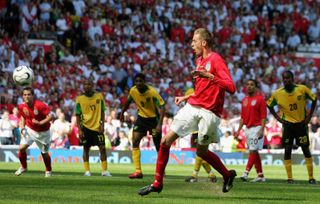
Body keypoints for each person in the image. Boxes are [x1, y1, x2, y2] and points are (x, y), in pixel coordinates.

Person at [138, 28, 237, 196]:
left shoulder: (216, 60)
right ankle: (157, 182)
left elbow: (231, 88)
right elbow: (202, 89)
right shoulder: (199, 60)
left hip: (209, 112)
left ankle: (227, 175)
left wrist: (210, 76)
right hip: (192, 106)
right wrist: (185, 97)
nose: (191, 44)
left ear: (204, 43)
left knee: (201, 151)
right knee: (165, 141)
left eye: (194, 41)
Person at [267, 70, 317, 184]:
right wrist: (278, 119)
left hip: (301, 124)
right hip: (288, 125)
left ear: (292, 79)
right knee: (287, 150)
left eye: (288, 78)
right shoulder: (277, 93)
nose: (286, 80)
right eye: (284, 78)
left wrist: (309, 117)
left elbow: (314, 99)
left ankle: (311, 177)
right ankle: (290, 178)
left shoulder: (302, 89)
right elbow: (269, 105)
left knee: (305, 149)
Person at [120, 73, 165, 179]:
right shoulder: (133, 90)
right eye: (137, 81)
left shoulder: (152, 92)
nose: (139, 83)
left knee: (158, 147)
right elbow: (128, 101)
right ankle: (138, 171)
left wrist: (159, 124)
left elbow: (162, 106)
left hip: (154, 120)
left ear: (144, 82)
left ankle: (161, 171)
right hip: (141, 118)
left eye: (141, 81)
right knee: (135, 141)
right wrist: (122, 113)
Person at [75, 78, 111, 177]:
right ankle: (87, 171)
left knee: (103, 148)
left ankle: (104, 171)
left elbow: (102, 111)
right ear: (83, 86)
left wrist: (103, 125)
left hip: (97, 127)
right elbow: (78, 115)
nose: (87, 86)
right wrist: (79, 129)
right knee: (86, 149)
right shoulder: (80, 99)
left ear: (92, 85)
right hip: (85, 127)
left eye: (89, 84)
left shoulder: (99, 96)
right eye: (85, 84)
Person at [15, 87, 53, 177]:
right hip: (30, 130)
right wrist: (22, 127)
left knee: (44, 153)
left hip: (43, 132)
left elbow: (50, 117)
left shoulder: (40, 105)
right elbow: (23, 117)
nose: (27, 96)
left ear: (33, 95)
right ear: (22, 96)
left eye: (29, 94)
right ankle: (24, 167)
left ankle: (48, 170)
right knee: (21, 148)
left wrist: (40, 123)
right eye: (25, 95)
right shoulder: (21, 106)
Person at [235, 79, 267, 182]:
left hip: (257, 128)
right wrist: (238, 130)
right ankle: (260, 175)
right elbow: (242, 118)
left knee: (253, 151)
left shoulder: (260, 99)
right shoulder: (244, 100)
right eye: (247, 84)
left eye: (252, 85)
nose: (249, 86)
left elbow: (263, 116)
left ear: (255, 87)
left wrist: (262, 129)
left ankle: (246, 173)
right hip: (247, 129)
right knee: (254, 152)